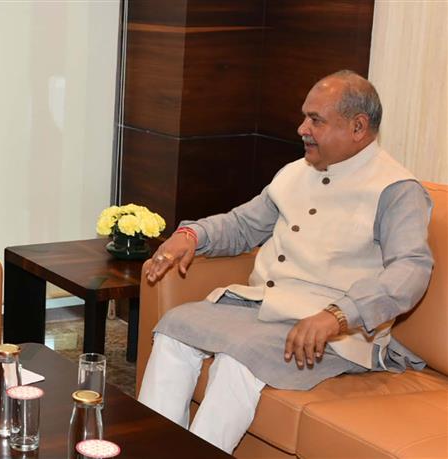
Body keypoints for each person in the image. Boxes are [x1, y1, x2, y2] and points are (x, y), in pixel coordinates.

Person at [136, 70, 433, 453]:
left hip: (334, 332)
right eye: (305, 116)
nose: (301, 128)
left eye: (316, 120)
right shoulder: (295, 173)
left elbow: (410, 270)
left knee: (238, 362)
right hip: (264, 308)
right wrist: (193, 235)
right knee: (175, 329)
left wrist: (338, 315)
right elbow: (243, 225)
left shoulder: (396, 190)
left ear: (358, 127)